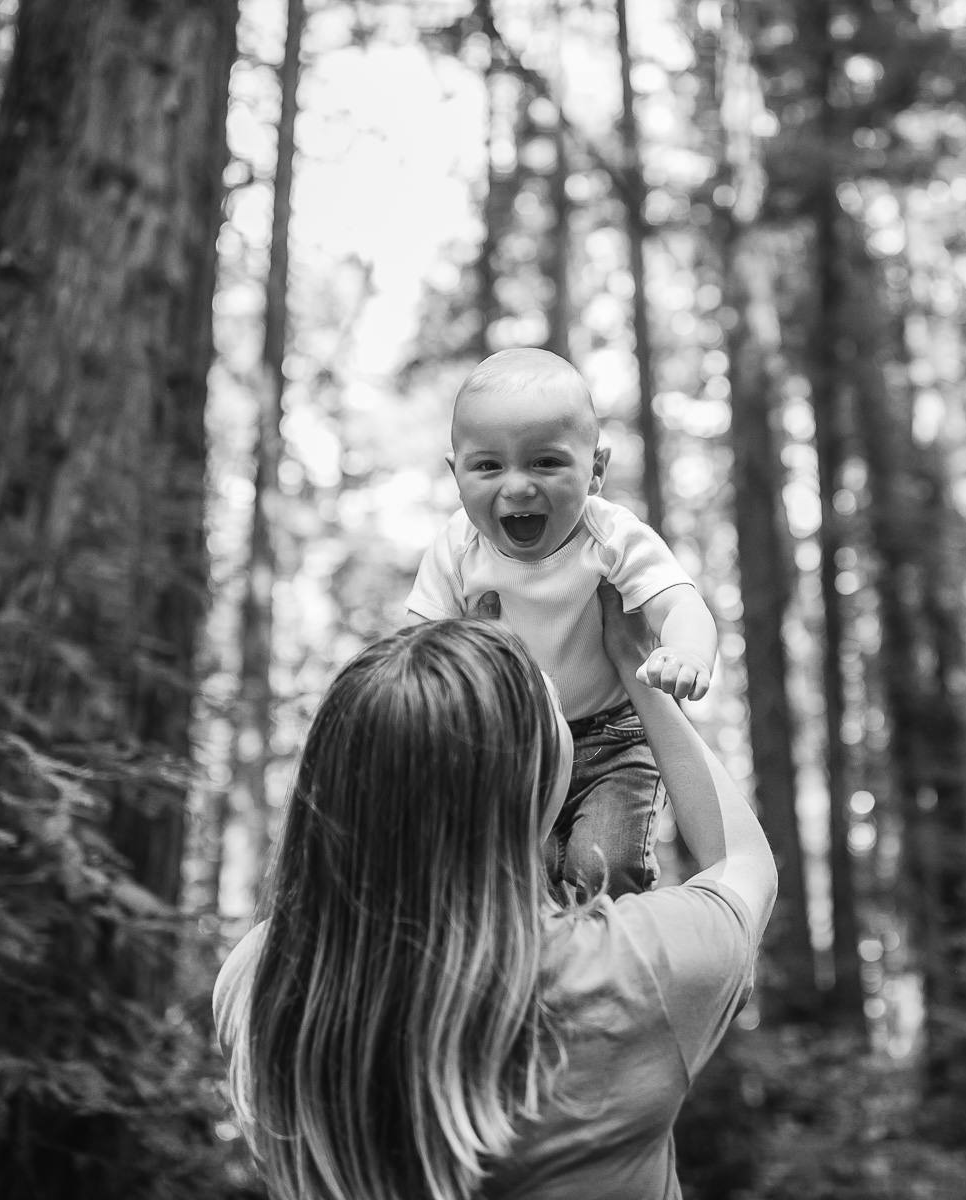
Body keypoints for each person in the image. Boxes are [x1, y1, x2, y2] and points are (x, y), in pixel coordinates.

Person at [213, 585, 776, 1200]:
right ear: (534, 775)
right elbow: (741, 861)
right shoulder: (631, 969)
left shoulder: (256, 978)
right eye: (553, 702)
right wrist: (635, 668)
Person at [406, 347, 719, 899]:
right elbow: (415, 643)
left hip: (615, 740)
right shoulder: (458, 548)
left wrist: (687, 652)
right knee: (524, 879)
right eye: (488, 466)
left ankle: (613, 945)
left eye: (546, 463)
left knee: (604, 869)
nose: (518, 486)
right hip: (517, 745)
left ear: (595, 471)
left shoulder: (611, 536)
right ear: (456, 474)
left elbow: (679, 603)